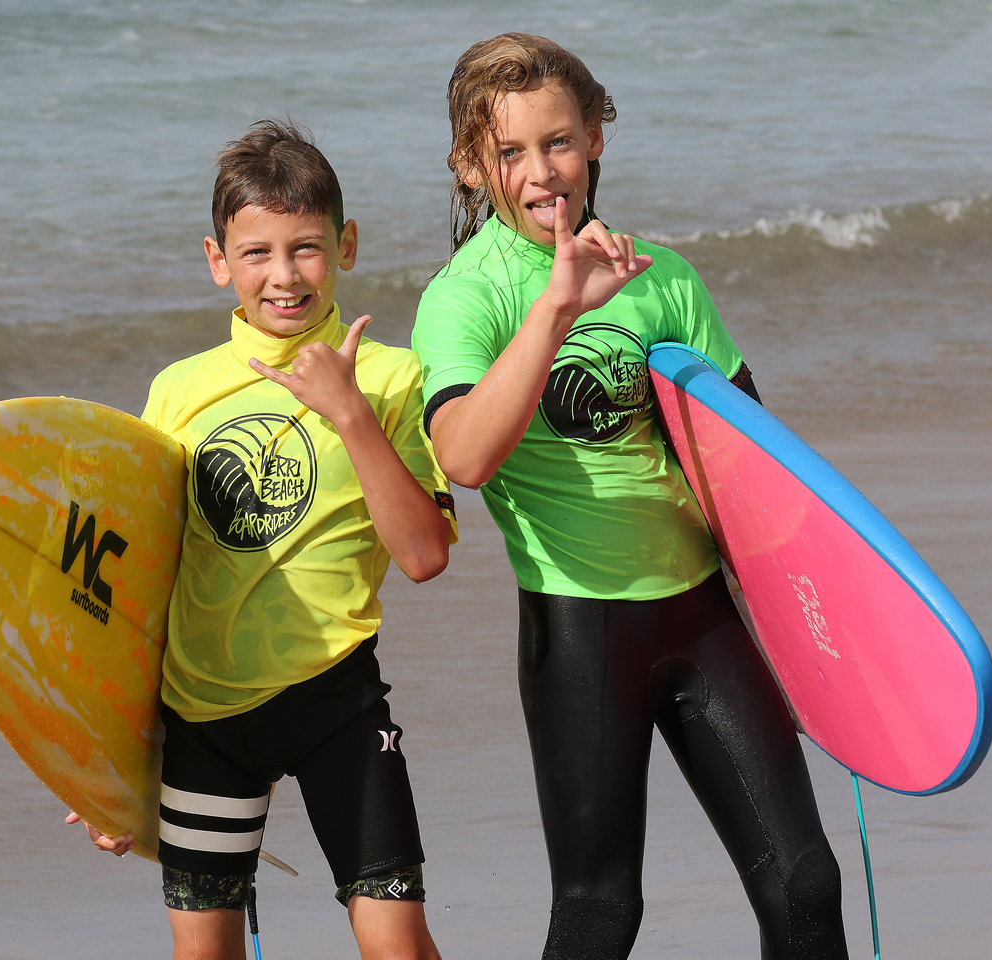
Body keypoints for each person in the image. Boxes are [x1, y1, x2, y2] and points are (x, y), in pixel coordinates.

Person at [410, 34, 849, 960]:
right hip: (582, 633)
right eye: (512, 152)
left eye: (560, 142)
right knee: (602, 912)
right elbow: (464, 456)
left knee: (805, 883)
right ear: (470, 164)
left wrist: (813, 643)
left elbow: (752, 475)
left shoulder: (665, 280)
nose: (542, 172)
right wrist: (559, 308)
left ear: (597, 136)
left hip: (703, 618)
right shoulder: (465, 299)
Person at [68, 119, 456, 960]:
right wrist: (102, 760)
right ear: (218, 261)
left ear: (345, 245)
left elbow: (425, 555)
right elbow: (133, 581)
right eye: (257, 254)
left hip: (336, 705)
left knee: (398, 946)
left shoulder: (390, 379)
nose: (284, 276)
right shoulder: (178, 392)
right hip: (201, 718)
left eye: (307, 248)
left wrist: (349, 412)